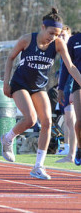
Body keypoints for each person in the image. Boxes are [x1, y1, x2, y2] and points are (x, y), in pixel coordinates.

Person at [1, 8, 81, 179]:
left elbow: (71, 67)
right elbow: (10, 58)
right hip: (20, 84)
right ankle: (8, 138)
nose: (53, 37)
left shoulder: (58, 44)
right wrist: (6, 83)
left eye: (57, 34)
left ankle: (38, 166)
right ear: (43, 27)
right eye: (51, 33)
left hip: (39, 87)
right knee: (30, 119)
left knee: (47, 122)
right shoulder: (27, 39)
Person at [59, 29, 81, 165]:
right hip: (78, 85)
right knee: (79, 121)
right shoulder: (74, 40)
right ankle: (79, 148)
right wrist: (61, 88)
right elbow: (67, 66)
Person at [56, 26, 75, 161]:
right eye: (59, 36)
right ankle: (68, 148)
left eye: (64, 35)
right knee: (68, 121)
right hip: (66, 91)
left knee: (71, 121)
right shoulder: (62, 52)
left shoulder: (73, 50)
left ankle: (72, 151)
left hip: (74, 90)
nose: (61, 38)